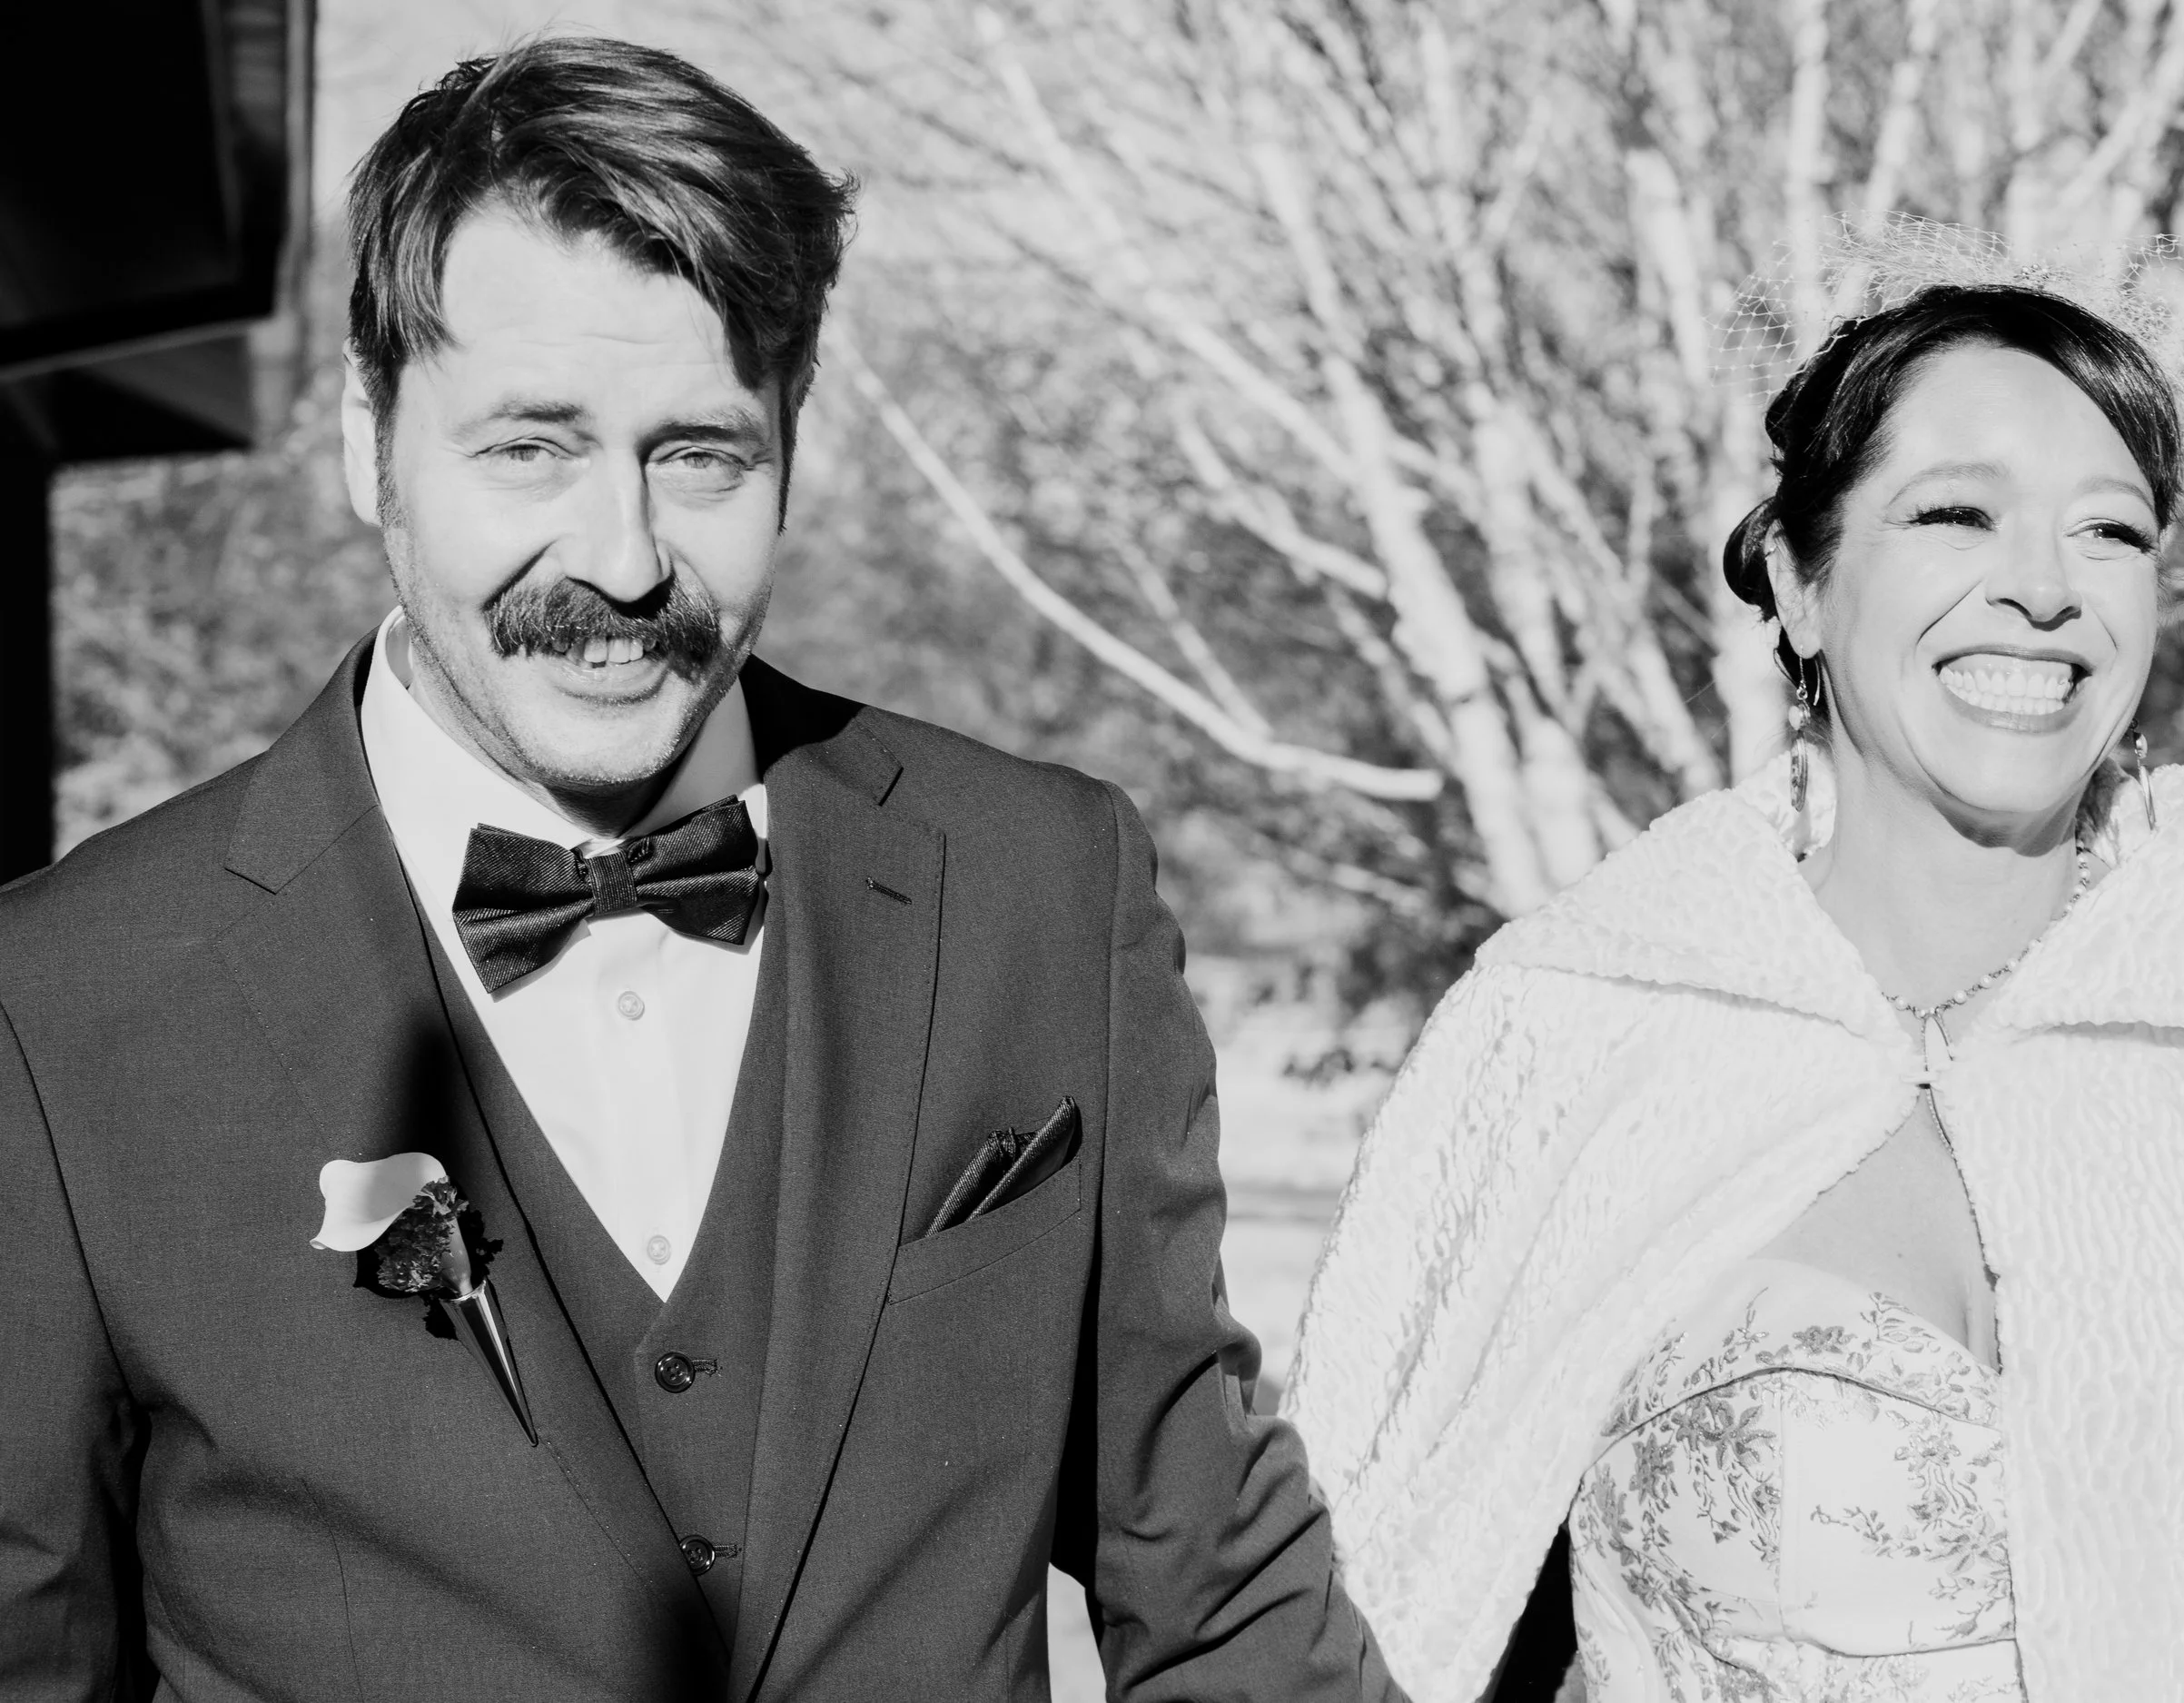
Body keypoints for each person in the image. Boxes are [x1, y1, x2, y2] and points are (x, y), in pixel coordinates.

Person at [0, 36, 1400, 1702]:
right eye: (531, 447)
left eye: (700, 454)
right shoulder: (66, 999)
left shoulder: (1043, 887)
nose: (622, 557)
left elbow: (1222, 1585)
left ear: (791, 443)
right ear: (368, 442)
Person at [1282, 270, 2184, 1702]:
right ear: (1800, 585)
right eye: (1955, 514)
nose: (2046, 587)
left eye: (2110, 531)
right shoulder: (1583, 1018)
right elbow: (1364, 1579)